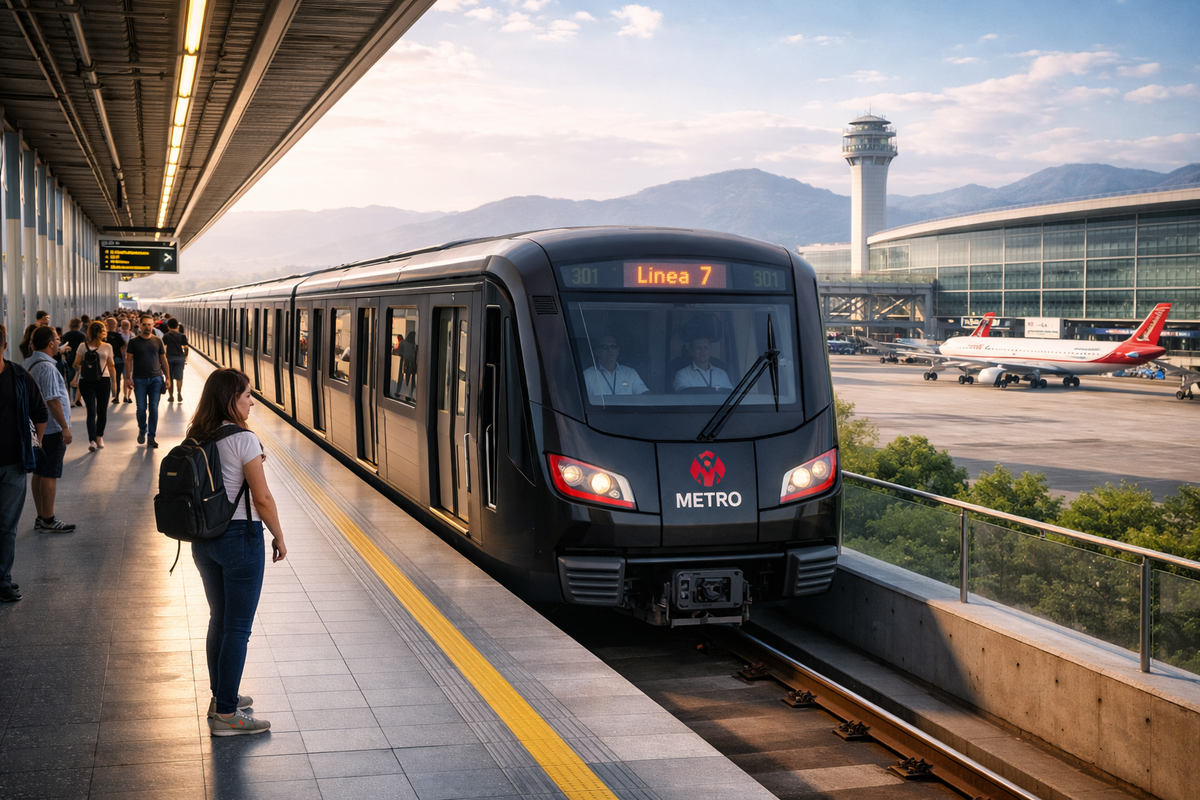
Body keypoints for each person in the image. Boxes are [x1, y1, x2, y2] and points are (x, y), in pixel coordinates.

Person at [187, 369, 287, 735]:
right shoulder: (244, 440)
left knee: (220, 620)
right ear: (231, 399)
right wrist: (278, 535)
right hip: (240, 539)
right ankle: (227, 714)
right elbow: (261, 497)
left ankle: (221, 696)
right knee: (238, 628)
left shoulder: (198, 435)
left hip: (204, 540)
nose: (251, 401)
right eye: (247, 395)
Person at [0, 324, 50, 601]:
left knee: (7, 525)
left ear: (5, 347)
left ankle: (3, 579)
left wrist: (34, 445)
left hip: (13, 464)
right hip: (12, 463)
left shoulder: (19, 376)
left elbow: (40, 412)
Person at [22, 326, 75, 532]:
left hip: (36, 427)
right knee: (50, 473)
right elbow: (53, 401)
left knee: (39, 472)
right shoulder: (48, 368)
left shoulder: (29, 362)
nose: (59, 341)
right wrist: (65, 427)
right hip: (51, 428)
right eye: (56, 338)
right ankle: (49, 519)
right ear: (51, 343)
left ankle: (41, 516)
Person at [126, 314, 169, 448]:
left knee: (154, 409)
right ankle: (142, 428)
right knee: (141, 408)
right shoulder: (133, 342)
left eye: (150, 324)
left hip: (156, 378)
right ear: (139, 325)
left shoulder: (158, 341)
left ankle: (151, 437)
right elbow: (128, 360)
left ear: (152, 325)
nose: (147, 327)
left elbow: (163, 360)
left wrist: (168, 378)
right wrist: (128, 378)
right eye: (144, 324)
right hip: (139, 379)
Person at [74, 321, 117, 452]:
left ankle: (99, 437)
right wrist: (87, 368)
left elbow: (111, 365)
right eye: (103, 330)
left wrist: (115, 384)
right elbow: (75, 364)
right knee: (91, 411)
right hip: (86, 381)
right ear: (96, 332)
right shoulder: (82, 346)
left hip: (103, 380)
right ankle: (92, 440)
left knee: (102, 411)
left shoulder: (107, 347)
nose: (105, 332)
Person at [582, 335, 649, 396]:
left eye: (613, 346)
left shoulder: (630, 373)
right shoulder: (587, 375)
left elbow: (645, 394)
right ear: (597, 352)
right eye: (604, 347)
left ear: (618, 351)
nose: (609, 350)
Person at [60, 319, 87, 408]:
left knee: (67, 381)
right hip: (79, 359)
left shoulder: (66, 335)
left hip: (68, 359)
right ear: (79, 326)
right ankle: (77, 399)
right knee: (77, 379)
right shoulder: (82, 335)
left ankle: (69, 400)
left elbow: (63, 347)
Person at [163, 318, 190, 403]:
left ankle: (171, 396)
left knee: (169, 377)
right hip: (180, 358)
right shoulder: (182, 336)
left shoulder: (166, 336)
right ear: (177, 326)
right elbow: (186, 347)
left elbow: (163, 348)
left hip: (169, 358)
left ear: (168, 326)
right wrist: (185, 357)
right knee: (179, 378)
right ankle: (179, 393)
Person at [106, 317, 127, 405]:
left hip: (106, 359)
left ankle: (106, 396)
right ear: (115, 325)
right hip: (117, 358)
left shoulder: (104, 336)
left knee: (106, 378)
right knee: (117, 378)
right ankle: (116, 397)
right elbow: (123, 346)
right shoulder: (118, 336)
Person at [119, 319, 135, 402]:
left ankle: (126, 395)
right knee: (128, 376)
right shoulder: (131, 335)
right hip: (127, 358)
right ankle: (127, 396)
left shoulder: (119, 336)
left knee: (127, 377)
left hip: (125, 358)